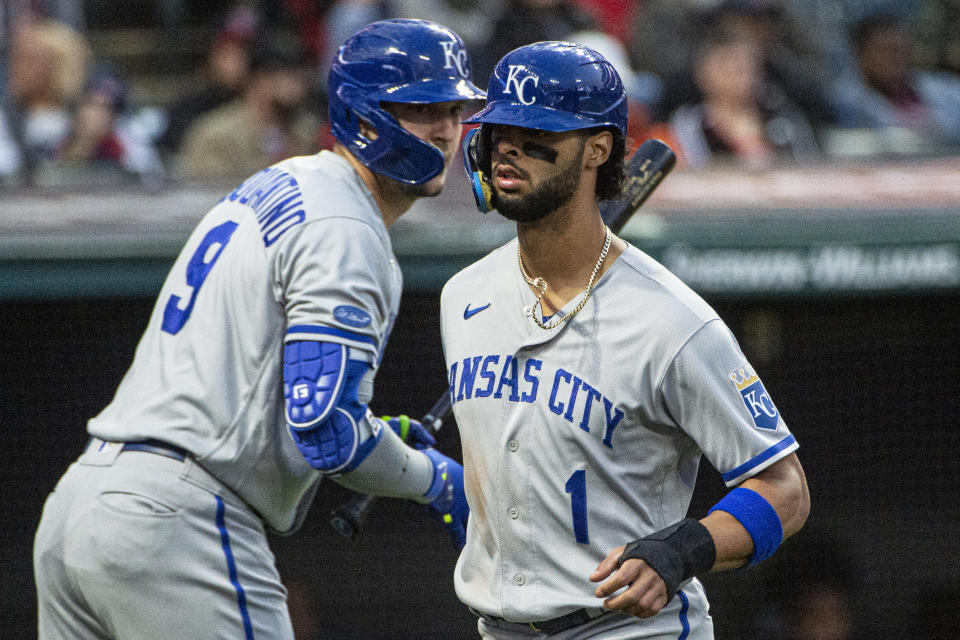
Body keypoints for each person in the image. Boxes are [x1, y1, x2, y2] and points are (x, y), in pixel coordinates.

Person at [33, 18, 483, 639]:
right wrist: (435, 481)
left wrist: (382, 437)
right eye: (421, 109)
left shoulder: (282, 181)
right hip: (175, 524)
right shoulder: (346, 228)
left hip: (80, 509)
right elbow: (327, 435)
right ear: (364, 113)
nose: (445, 130)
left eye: (455, 109)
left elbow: (298, 404)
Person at [441, 41, 810, 638]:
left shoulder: (672, 322)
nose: (507, 147)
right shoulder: (461, 296)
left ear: (598, 149)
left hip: (630, 629)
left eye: (538, 133)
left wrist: (684, 549)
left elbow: (785, 489)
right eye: (498, 129)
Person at [177, 40, 319, 181]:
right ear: (261, 80)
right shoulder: (217, 134)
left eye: (301, 77)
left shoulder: (307, 130)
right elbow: (208, 192)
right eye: (289, 76)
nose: (299, 85)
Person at [829, 11, 960, 147]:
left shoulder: (948, 90)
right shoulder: (844, 103)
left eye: (899, 49)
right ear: (860, 55)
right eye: (884, 50)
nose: (894, 59)